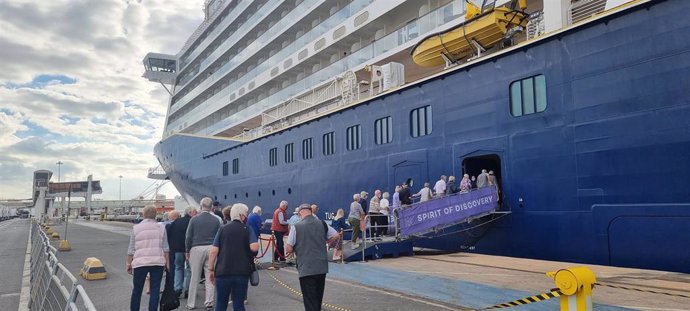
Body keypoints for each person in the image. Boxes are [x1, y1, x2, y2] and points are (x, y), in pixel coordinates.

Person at [285, 204, 339, 311]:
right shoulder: (322, 224)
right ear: (311, 212)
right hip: (321, 267)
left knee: (310, 301)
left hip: (306, 268)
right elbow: (336, 235)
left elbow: (289, 249)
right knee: (318, 299)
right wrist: (327, 242)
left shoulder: (296, 227)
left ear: (300, 213)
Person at [208, 204, 259, 311]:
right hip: (241, 272)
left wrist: (210, 269)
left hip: (223, 271)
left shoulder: (222, 229)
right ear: (241, 216)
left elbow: (213, 251)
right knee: (239, 304)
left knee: (221, 304)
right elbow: (254, 248)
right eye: (245, 215)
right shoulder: (247, 229)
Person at [127, 205, 169, 311]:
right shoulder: (162, 228)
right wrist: (166, 263)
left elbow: (131, 249)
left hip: (140, 263)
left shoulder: (136, 228)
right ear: (155, 215)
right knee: (155, 290)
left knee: (137, 290)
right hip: (157, 263)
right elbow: (166, 249)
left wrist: (128, 264)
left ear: (143, 214)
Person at [185, 197, 223, 310]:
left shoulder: (194, 219)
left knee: (194, 277)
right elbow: (220, 236)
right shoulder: (216, 220)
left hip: (196, 248)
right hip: (211, 248)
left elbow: (188, 236)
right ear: (212, 207)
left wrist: (187, 250)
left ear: (201, 206)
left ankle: (191, 303)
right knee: (210, 275)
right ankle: (209, 302)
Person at [165, 210, 185, 297]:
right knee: (184, 268)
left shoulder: (168, 226)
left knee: (175, 268)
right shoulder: (183, 224)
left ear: (172, 217)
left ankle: (175, 287)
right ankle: (185, 287)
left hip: (172, 250)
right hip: (183, 249)